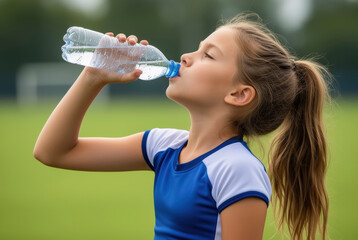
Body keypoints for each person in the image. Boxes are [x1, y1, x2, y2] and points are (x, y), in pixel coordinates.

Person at [34, 13, 330, 240]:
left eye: (208, 55)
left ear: (239, 94)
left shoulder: (237, 168)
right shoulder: (165, 146)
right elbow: (54, 152)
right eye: (197, 49)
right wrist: (92, 77)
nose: (186, 57)